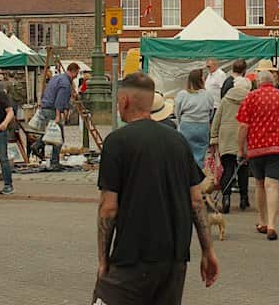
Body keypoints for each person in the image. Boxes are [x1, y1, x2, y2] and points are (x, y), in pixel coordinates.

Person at [94, 71, 218, 305]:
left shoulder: (117, 142)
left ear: (124, 101)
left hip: (132, 258)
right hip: (173, 261)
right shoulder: (178, 141)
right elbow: (196, 201)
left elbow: (108, 209)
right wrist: (207, 251)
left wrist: (103, 260)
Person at [237, 67, 279, 240]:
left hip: (256, 147)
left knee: (259, 184)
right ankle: (272, 224)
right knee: (272, 186)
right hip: (277, 148)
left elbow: (243, 126)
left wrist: (240, 148)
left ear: (258, 83)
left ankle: (262, 221)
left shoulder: (251, 97)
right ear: (273, 82)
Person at [210, 76, 251, 213]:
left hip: (226, 137)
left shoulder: (225, 100)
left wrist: (214, 137)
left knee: (227, 168)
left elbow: (217, 119)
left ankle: (226, 199)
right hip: (243, 136)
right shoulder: (250, 100)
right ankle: (244, 199)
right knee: (243, 169)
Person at [40, 63, 79, 171]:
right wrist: (58, 116)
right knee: (59, 138)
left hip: (45, 108)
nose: (76, 76)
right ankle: (54, 162)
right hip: (52, 110)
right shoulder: (66, 83)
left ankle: (38, 144)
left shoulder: (56, 78)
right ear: (74, 71)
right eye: (77, 73)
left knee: (50, 133)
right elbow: (59, 101)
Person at [174, 68, 213, 168]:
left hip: (187, 124)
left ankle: (186, 174)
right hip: (203, 125)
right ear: (201, 80)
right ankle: (198, 174)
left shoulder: (182, 94)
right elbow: (211, 112)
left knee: (185, 152)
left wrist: (180, 123)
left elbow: (177, 111)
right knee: (200, 153)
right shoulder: (208, 95)